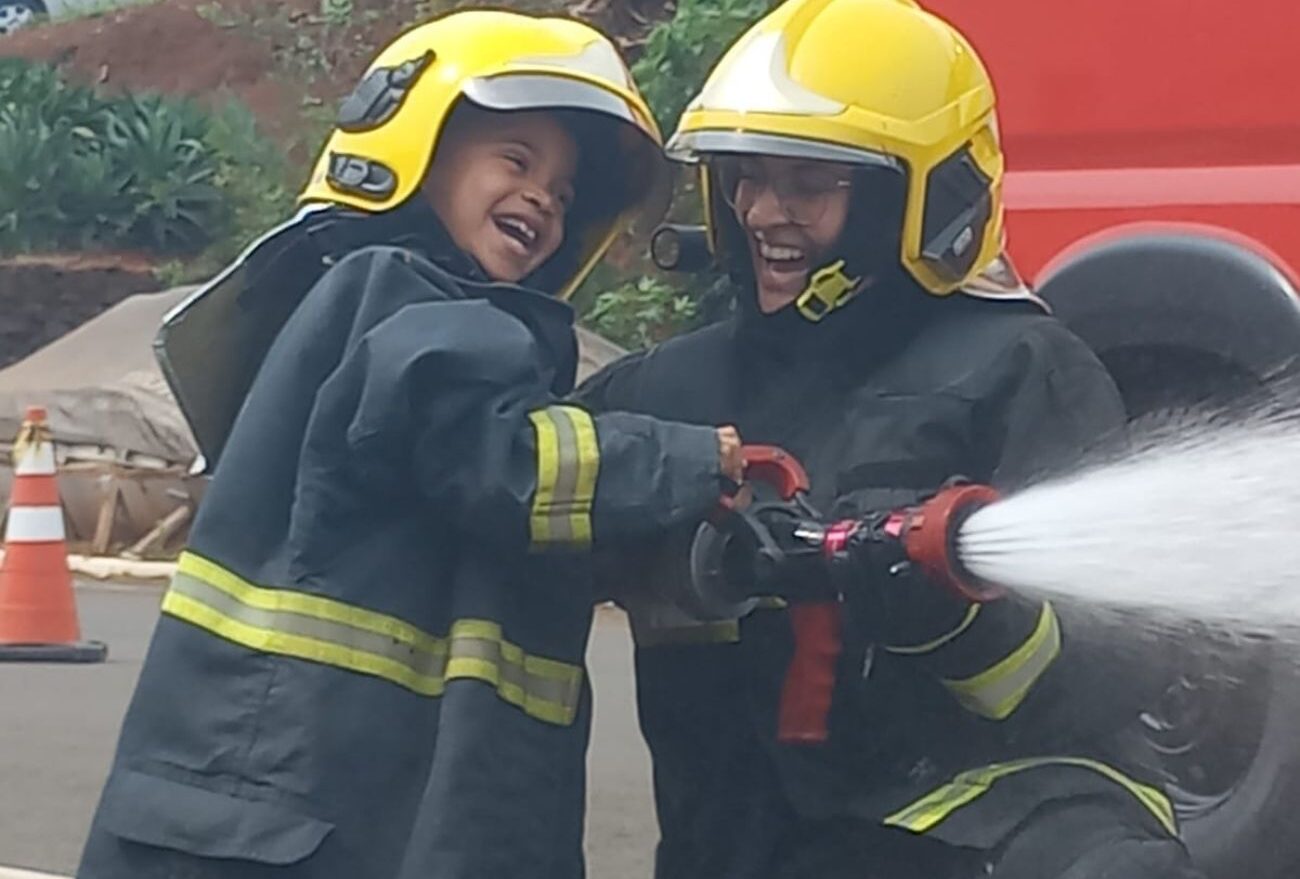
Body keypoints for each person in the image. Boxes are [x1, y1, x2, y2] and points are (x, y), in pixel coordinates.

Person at [77, 11, 743, 879]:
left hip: (314, 810)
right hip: (299, 814)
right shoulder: (407, 304)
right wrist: (692, 460)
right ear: (419, 148)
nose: (543, 196)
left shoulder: (401, 321)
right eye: (516, 160)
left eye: (567, 192)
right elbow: (508, 467)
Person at [576, 0, 1206, 876]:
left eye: (806, 183)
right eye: (747, 177)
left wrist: (946, 616)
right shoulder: (673, 388)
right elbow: (511, 491)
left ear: (919, 196)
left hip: (949, 848)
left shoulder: (1018, 369)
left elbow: (1112, 676)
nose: (762, 212)